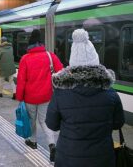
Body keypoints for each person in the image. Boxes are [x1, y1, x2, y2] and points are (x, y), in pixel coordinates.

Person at [46, 29, 124, 167]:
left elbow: (52, 124)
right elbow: (118, 124)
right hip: (102, 159)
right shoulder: (110, 93)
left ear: (72, 62)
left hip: (69, 158)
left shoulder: (60, 93)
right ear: (96, 60)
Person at [16, 29, 63, 162]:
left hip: (30, 97)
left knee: (31, 120)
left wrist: (19, 97)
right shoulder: (50, 56)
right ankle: (52, 145)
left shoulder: (25, 58)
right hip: (46, 96)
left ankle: (33, 141)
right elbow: (61, 72)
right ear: (41, 44)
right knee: (44, 121)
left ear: (29, 45)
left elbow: (21, 80)